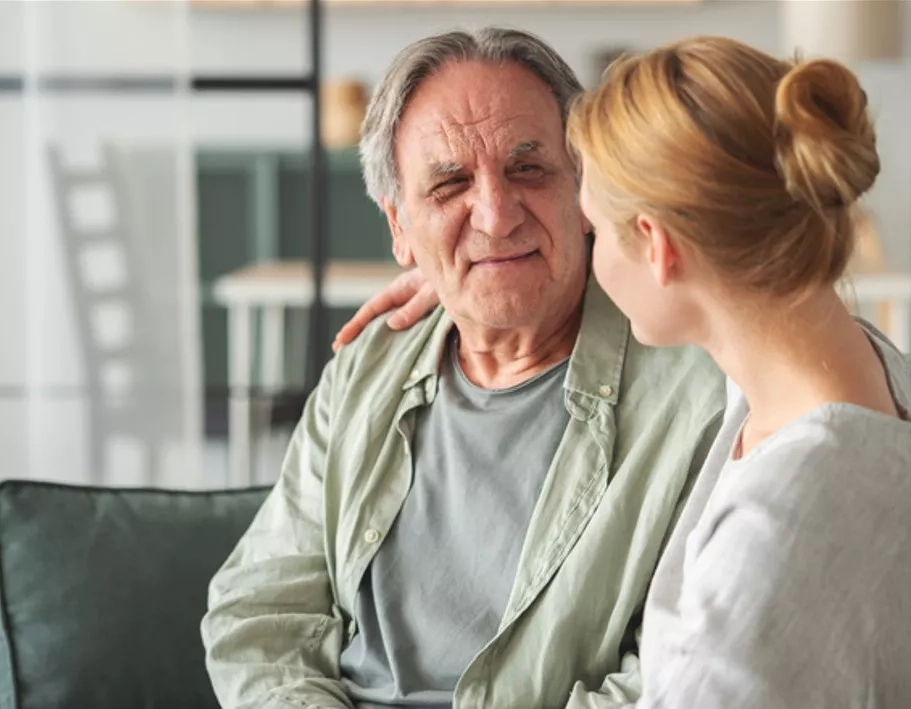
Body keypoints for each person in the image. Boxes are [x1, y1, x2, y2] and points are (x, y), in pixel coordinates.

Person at [340, 35, 911, 708]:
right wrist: (479, 273)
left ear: (658, 249)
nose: (581, 247)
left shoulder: (770, 536)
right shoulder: (853, 369)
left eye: (593, 229)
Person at [201, 28, 725, 709]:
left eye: (528, 168)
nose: (497, 214)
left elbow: (677, 670)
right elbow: (257, 611)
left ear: (583, 188)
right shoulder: (365, 369)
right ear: (399, 227)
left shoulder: (699, 392)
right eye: (450, 183)